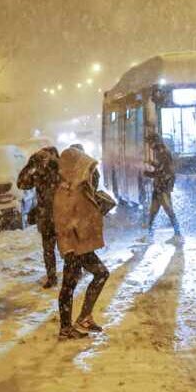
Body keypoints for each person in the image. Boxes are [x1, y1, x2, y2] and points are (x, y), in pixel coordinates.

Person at [52, 144, 110, 339]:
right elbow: (62, 222)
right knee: (99, 274)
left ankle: (70, 326)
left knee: (70, 284)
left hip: (80, 244)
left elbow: (84, 212)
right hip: (75, 246)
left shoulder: (76, 188)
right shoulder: (65, 192)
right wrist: (67, 247)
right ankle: (75, 322)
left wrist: (99, 206)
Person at [18, 146, 62, 287]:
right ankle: (52, 277)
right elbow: (21, 184)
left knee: (68, 249)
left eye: (47, 157)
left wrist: (54, 165)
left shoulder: (62, 171)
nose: (45, 161)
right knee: (48, 250)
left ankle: (72, 274)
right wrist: (29, 166)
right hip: (47, 218)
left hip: (62, 216)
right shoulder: (39, 173)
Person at [142, 137, 182, 244]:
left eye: (150, 143)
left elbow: (161, 172)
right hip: (159, 187)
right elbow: (162, 167)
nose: (150, 146)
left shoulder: (162, 153)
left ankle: (178, 235)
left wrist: (146, 173)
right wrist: (151, 163)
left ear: (155, 142)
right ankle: (149, 235)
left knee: (169, 211)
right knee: (153, 212)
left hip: (163, 188)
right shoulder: (162, 152)